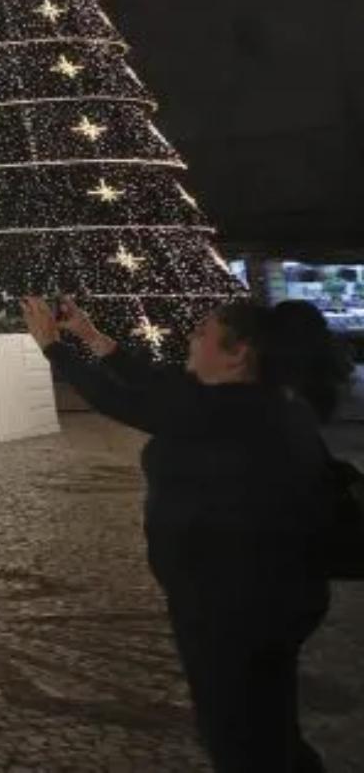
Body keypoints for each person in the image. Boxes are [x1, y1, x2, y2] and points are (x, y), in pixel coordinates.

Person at [22, 295, 340, 773]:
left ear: (238, 354)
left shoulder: (220, 410)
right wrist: (90, 337)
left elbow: (124, 399)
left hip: (231, 601)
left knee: (238, 737)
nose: (190, 339)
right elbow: (157, 383)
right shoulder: (262, 402)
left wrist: (54, 347)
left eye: (201, 333)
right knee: (267, 721)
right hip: (275, 595)